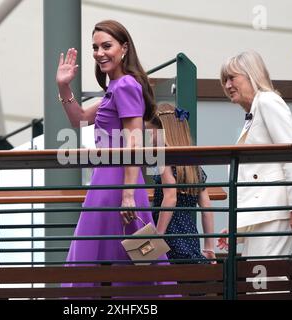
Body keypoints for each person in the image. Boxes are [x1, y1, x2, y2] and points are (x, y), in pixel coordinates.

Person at [56, 20, 169, 287]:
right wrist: (63, 86)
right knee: (135, 258)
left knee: (133, 258)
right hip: (109, 181)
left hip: (119, 183)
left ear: (124, 48)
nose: (99, 53)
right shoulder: (115, 88)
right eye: (95, 47)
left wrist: (128, 193)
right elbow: (80, 119)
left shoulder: (126, 85)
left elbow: (134, 141)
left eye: (107, 46)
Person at [216, 50, 292, 258]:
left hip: (276, 209)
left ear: (251, 75)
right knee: (258, 279)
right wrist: (238, 227)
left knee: (264, 279)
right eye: (225, 80)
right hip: (266, 213)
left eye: (232, 78)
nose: (227, 85)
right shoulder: (255, 111)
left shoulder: (267, 101)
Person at [146, 103, 216, 264]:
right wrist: (209, 247)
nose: (149, 138)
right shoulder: (194, 165)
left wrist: (158, 236)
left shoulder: (164, 158)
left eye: (151, 132)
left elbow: (170, 198)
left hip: (169, 235)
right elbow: (206, 208)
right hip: (189, 235)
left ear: (164, 131)